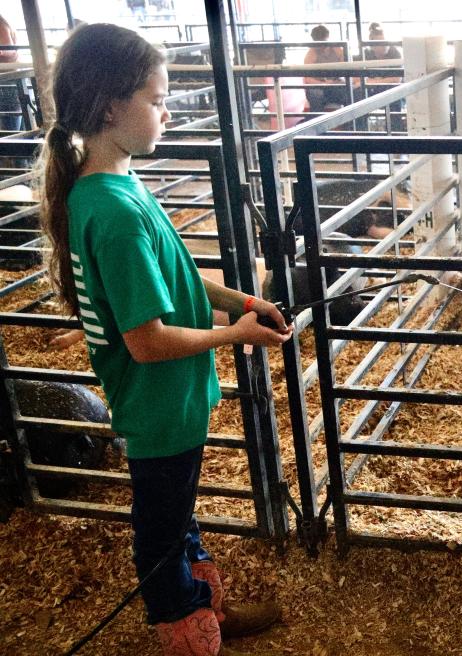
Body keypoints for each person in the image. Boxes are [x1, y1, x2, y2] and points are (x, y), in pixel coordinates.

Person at [37, 23, 291, 656]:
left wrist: (243, 302)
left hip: (171, 398)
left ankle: (202, 606)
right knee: (160, 527)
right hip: (156, 401)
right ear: (111, 104)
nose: (166, 110)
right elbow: (145, 342)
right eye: (157, 98)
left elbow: (178, 273)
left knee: (178, 513)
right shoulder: (115, 213)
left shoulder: (123, 190)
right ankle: (185, 629)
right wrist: (233, 334)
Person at [303, 24, 350, 112]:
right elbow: (308, 79)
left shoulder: (337, 50)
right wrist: (324, 84)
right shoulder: (311, 54)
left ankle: (350, 123)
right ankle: (318, 123)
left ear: (327, 37)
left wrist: (338, 81)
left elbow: (347, 69)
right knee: (315, 93)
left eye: (323, 42)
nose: (320, 46)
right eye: (317, 42)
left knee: (350, 92)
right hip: (319, 86)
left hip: (336, 85)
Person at [0, 16, 22, 133]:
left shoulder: (1, 25)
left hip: (7, 84)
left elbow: (9, 52)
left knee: (9, 132)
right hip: (8, 83)